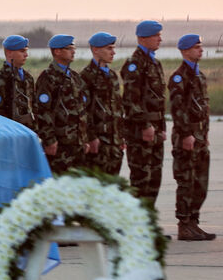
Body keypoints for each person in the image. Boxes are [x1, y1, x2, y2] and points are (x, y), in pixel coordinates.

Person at [168, 34, 213, 241]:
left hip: (200, 137)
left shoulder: (199, 75)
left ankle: (194, 222)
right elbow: (178, 109)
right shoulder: (179, 77)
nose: (200, 50)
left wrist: (204, 134)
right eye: (196, 47)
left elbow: (202, 108)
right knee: (186, 181)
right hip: (187, 138)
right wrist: (186, 134)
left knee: (200, 183)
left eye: (200, 47)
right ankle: (184, 224)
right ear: (185, 51)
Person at [121, 20, 167, 203]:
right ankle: (136, 226)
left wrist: (161, 127)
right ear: (142, 38)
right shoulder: (135, 64)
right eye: (156, 35)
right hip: (140, 132)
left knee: (154, 179)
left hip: (155, 130)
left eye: (159, 35)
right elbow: (131, 100)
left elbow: (159, 100)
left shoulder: (155, 63)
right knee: (141, 179)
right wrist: (145, 125)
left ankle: (147, 225)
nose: (160, 39)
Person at [34, 35, 87, 174]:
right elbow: (43, 111)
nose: (73, 51)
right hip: (60, 144)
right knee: (61, 185)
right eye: (69, 48)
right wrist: (49, 139)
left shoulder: (75, 77)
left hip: (77, 143)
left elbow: (82, 110)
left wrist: (85, 138)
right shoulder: (48, 77)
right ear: (57, 51)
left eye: (73, 48)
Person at [79, 32, 124, 175]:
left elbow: (117, 107)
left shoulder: (112, 76)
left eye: (113, 48)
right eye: (109, 48)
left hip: (114, 142)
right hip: (99, 142)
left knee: (112, 187)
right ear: (96, 50)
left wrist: (121, 136)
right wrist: (91, 137)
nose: (113, 52)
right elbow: (83, 111)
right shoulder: (86, 76)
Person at [0, 35, 35, 129]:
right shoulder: (0, 80)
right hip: (11, 133)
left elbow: (34, 107)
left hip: (29, 132)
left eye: (26, 51)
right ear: (9, 53)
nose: (26, 55)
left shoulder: (28, 78)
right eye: (22, 51)